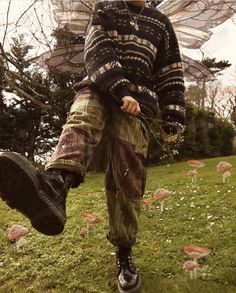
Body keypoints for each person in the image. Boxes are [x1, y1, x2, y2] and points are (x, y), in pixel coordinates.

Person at [0, 0, 185, 292]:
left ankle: (124, 252)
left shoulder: (161, 23)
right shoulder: (105, 10)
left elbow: (171, 71)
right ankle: (54, 186)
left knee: (128, 174)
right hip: (98, 86)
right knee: (82, 120)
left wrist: (174, 115)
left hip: (140, 106)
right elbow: (97, 51)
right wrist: (121, 89)